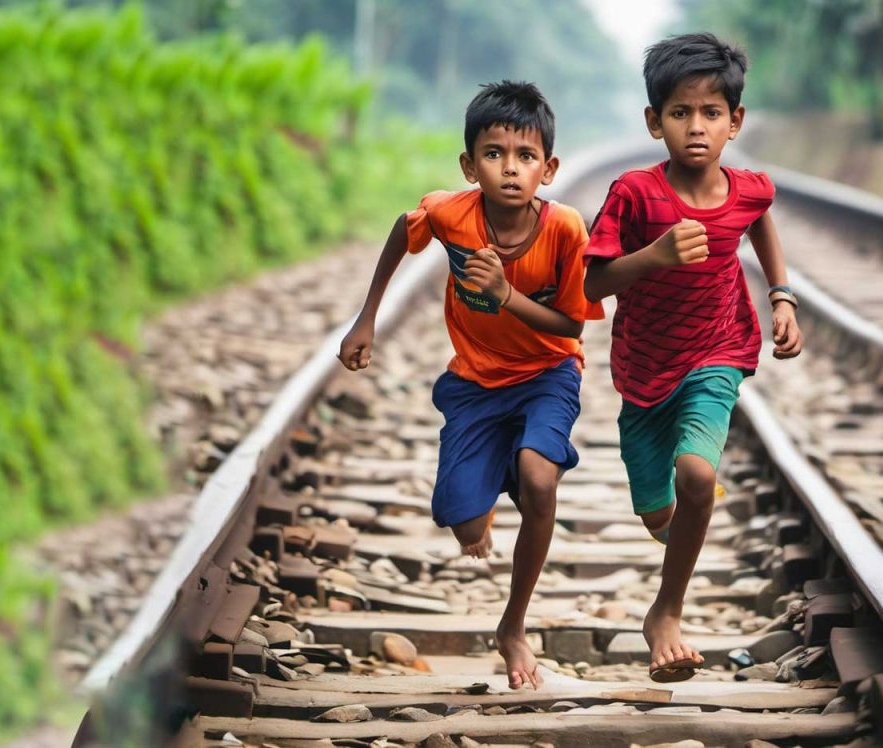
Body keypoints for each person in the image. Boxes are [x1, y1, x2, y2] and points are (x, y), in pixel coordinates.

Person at [338, 80, 603, 690]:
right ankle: (493, 487)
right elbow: (401, 234)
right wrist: (366, 316)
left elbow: (572, 323)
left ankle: (513, 626)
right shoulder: (451, 213)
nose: (510, 169)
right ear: (469, 164)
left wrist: (506, 295)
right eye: (494, 154)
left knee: (540, 475)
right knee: (463, 526)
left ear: (549, 168)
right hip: (475, 383)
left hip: (547, 374)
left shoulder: (565, 230)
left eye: (526, 157)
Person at [583, 32, 804, 683]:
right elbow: (592, 285)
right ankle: (678, 518)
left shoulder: (747, 188)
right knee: (658, 511)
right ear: (655, 122)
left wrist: (782, 296)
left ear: (735, 122)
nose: (696, 127)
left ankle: (666, 613)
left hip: (719, 351)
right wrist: (652, 257)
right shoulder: (633, 195)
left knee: (697, 476)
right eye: (680, 113)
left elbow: (759, 215)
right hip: (643, 371)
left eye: (712, 113)